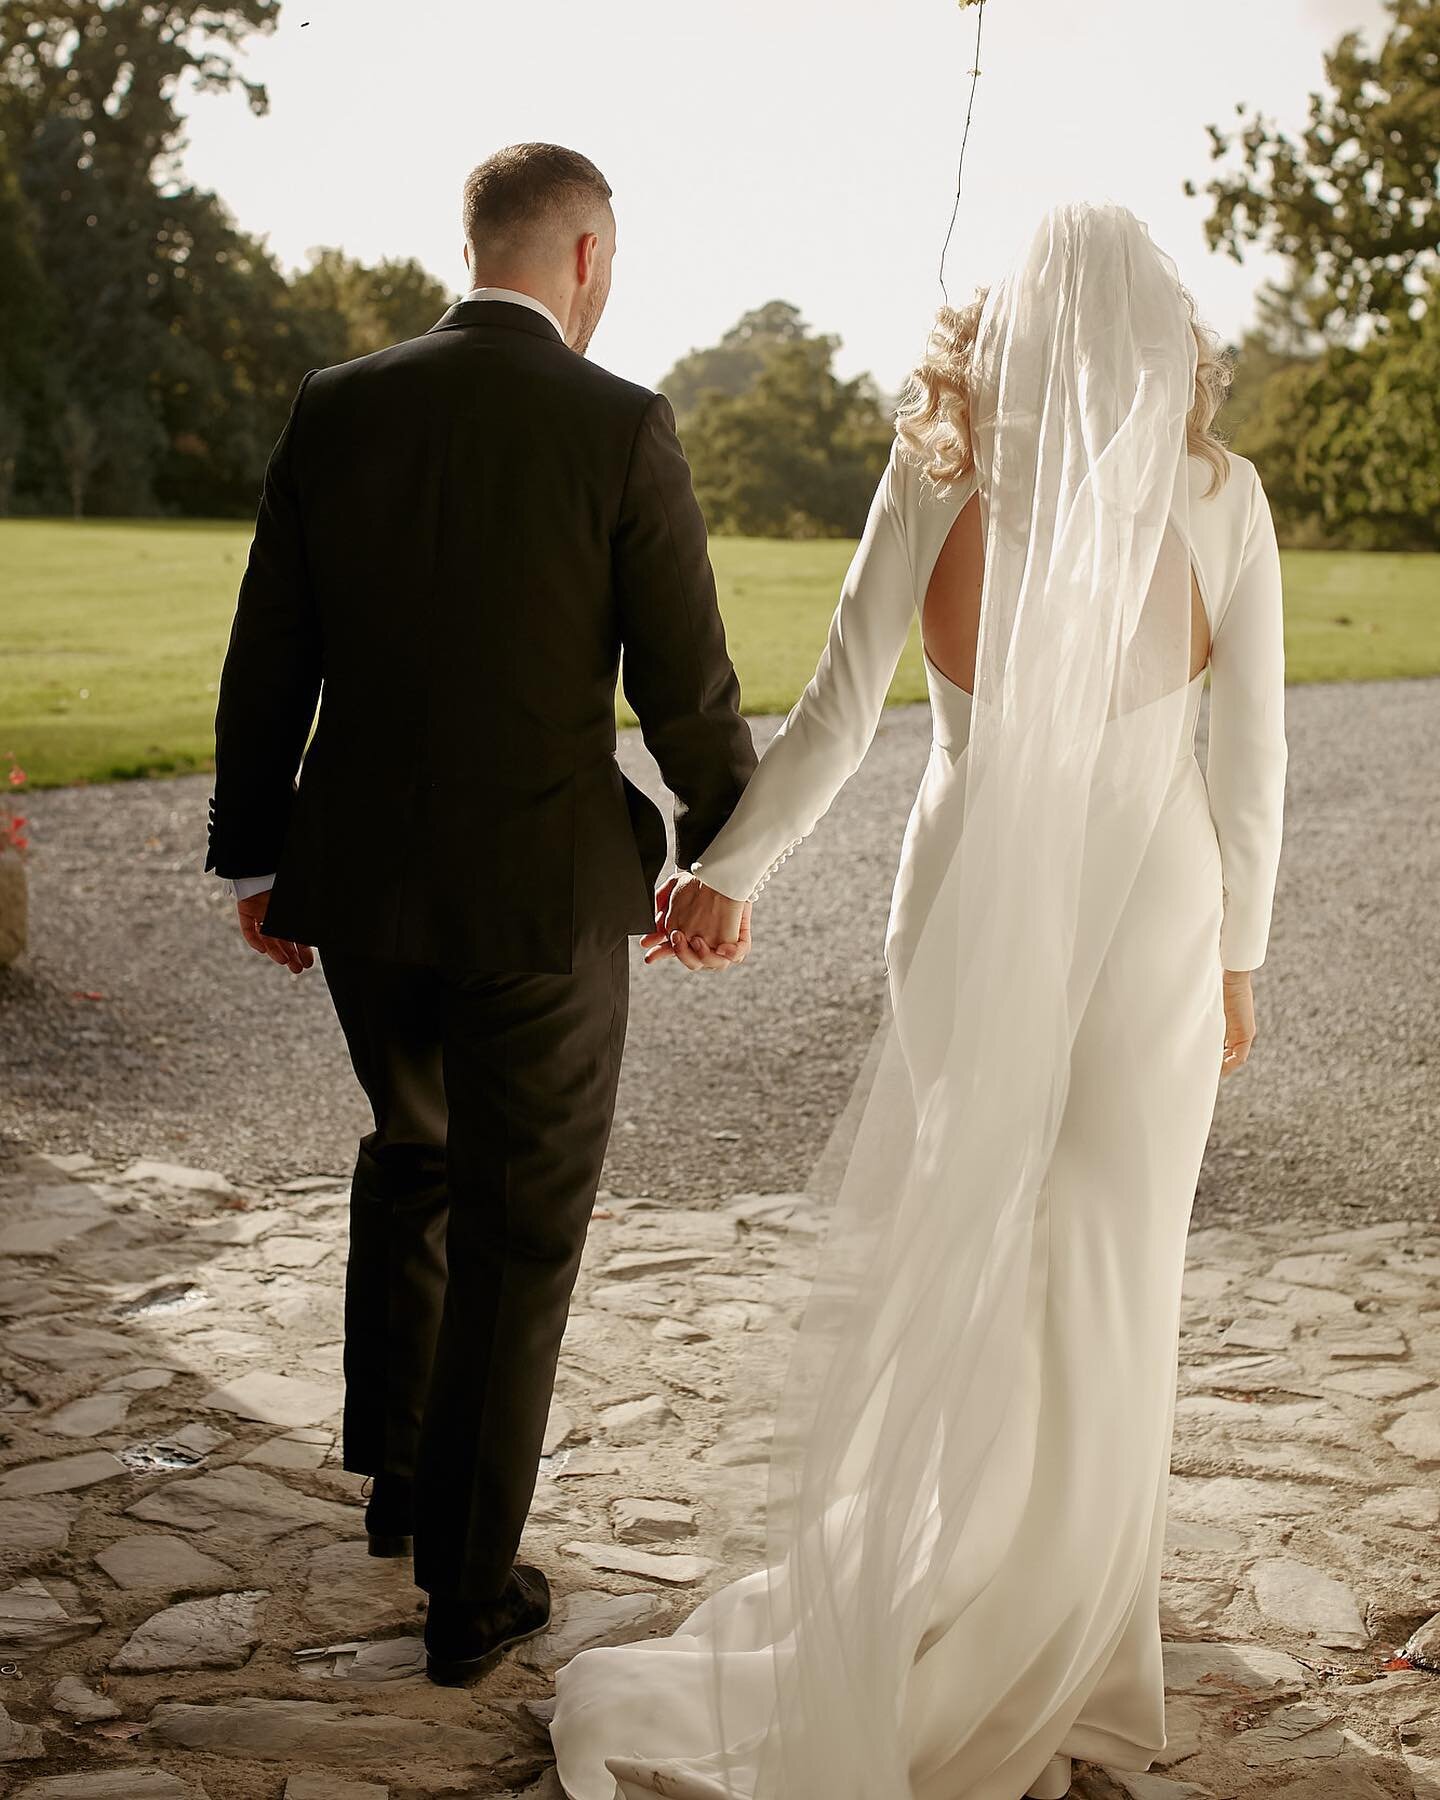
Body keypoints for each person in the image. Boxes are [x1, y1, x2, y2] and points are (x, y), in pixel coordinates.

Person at [548, 202, 1287, 1800]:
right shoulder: (1224, 497)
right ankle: (1084, 1639)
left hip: (960, 909)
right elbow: (1252, 762)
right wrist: (1242, 961)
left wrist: (731, 871)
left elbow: (835, 714)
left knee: (983, 1234)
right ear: (1162, 338)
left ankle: (962, 1567)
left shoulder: (938, 473)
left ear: (1006, 328)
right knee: (1107, 1255)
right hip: (1153, 918)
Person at [204, 142, 757, 1686]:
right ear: (584, 254)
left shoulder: (339, 403)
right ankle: (467, 1588)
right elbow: (689, 691)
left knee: (415, 1150)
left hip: (363, 891)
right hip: (541, 902)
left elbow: (271, 652)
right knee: (523, 1232)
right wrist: (724, 864)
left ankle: (396, 1478)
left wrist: (256, 859)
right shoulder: (620, 423)